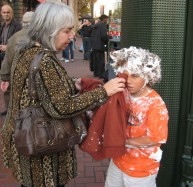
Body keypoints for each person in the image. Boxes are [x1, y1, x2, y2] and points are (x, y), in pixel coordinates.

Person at [1, 2, 125, 187]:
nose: (72, 35)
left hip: (23, 137)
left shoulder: (25, 50)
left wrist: (72, 83)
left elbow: (40, 88)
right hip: (42, 148)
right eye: (67, 31)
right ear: (49, 29)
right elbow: (62, 107)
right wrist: (104, 91)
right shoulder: (45, 60)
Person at [105, 46, 169, 187]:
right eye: (125, 74)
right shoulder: (122, 93)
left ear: (148, 76)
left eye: (135, 76)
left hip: (141, 169)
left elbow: (155, 138)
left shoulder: (155, 104)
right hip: (117, 161)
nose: (128, 80)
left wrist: (121, 140)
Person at [0, 11, 34, 116]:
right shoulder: (42, 37)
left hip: (16, 75)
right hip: (33, 77)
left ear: (23, 22)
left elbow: (7, 61)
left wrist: (5, 77)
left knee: (12, 100)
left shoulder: (14, 38)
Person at [0, 4, 22, 116]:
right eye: (4, 12)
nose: (6, 14)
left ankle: (15, 109)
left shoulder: (17, 26)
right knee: (4, 83)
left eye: (8, 12)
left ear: (12, 13)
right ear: (1, 13)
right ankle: (8, 108)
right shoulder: (2, 26)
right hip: (4, 59)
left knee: (15, 84)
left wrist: (7, 47)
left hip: (13, 59)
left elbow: (19, 44)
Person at [90, 14, 112, 78]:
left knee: (95, 60)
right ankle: (101, 73)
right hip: (100, 45)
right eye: (106, 19)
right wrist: (109, 37)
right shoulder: (102, 25)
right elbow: (103, 36)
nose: (106, 20)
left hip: (94, 45)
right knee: (100, 60)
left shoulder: (96, 25)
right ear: (103, 19)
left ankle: (96, 73)